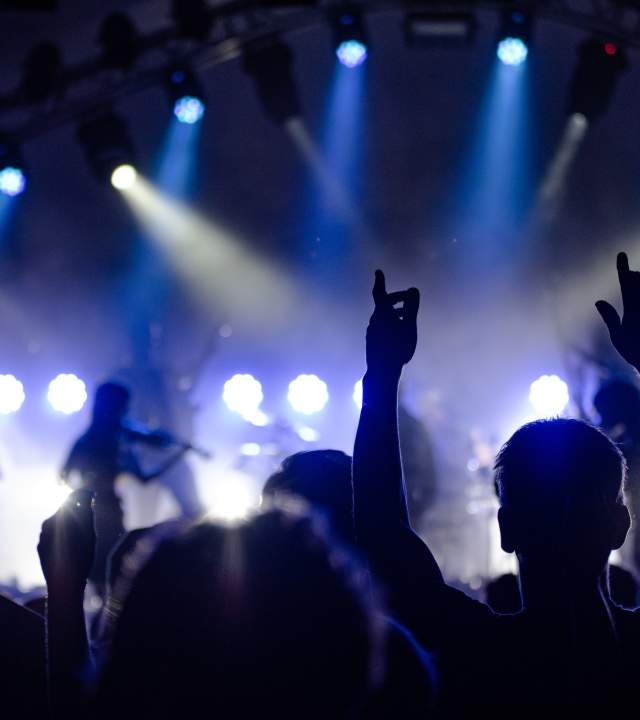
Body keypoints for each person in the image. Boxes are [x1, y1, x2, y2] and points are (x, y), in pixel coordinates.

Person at [352, 264, 640, 714]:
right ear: (620, 525)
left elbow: (381, 534)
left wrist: (383, 376)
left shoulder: (480, 651)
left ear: (506, 528)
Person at [61, 382, 188, 593]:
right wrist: (178, 455)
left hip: (98, 511)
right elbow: (145, 478)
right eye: (122, 408)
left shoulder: (91, 441)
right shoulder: (112, 442)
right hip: (105, 510)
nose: (125, 413)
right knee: (108, 573)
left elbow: (64, 474)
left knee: (100, 574)